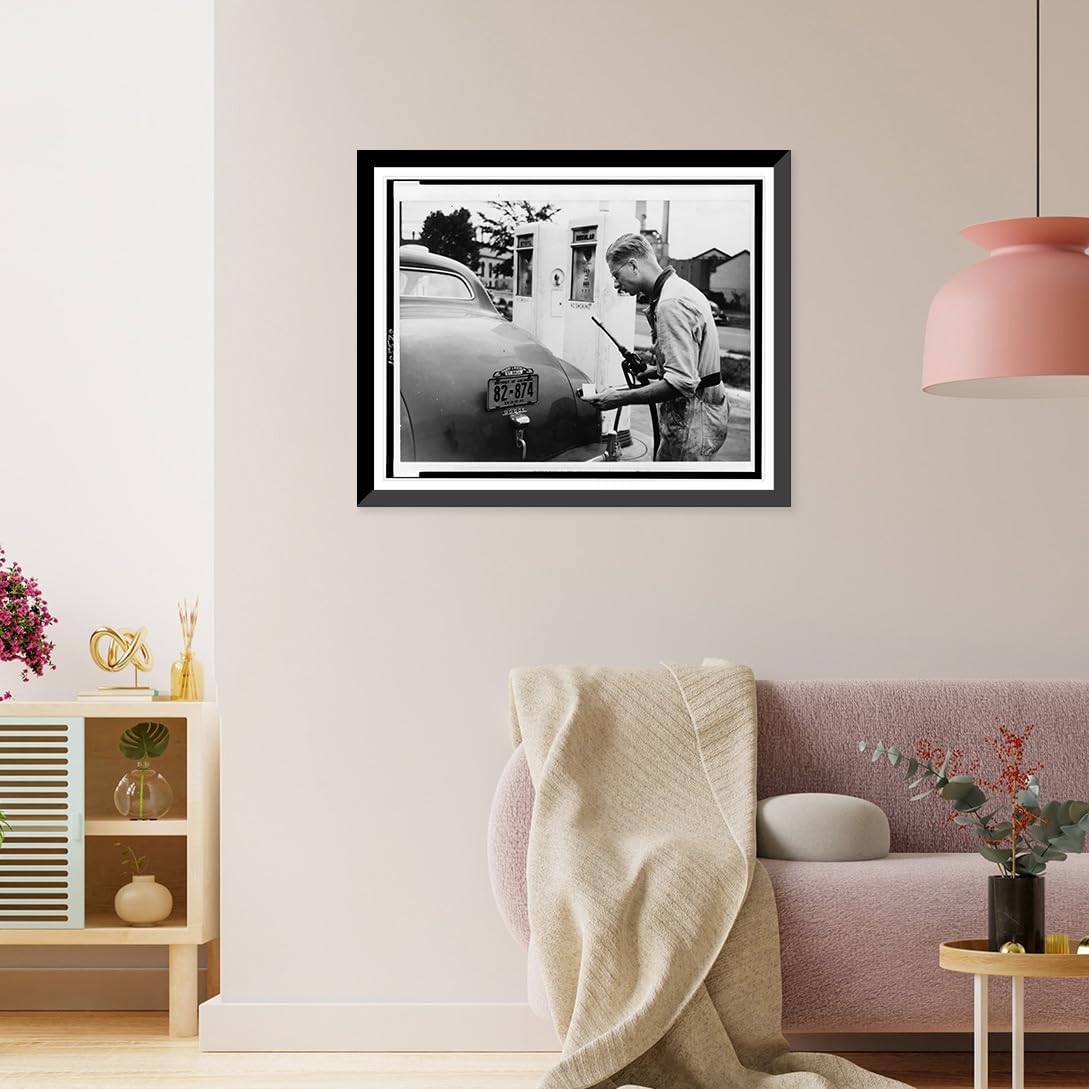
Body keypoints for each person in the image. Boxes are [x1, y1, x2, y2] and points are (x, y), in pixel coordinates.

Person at [585, 233, 729, 461]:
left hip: (692, 419)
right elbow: (693, 360)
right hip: (701, 411)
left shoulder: (670, 304)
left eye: (616, 274)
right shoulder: (680, 289)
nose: (615, 284)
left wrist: (618, 398)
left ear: (633, 265)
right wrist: (657, 370)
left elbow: (682, 383)